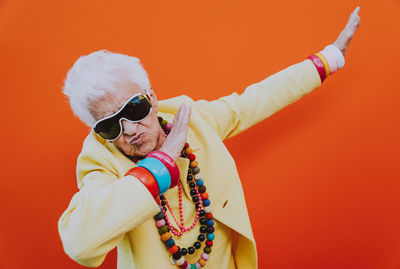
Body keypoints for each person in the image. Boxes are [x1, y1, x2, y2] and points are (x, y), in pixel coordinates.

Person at [58, 7, 360, 269]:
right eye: (110, 126)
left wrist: (329, 58)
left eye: (134, 109)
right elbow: (79, 244)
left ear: (151, 96)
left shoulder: (190, 119)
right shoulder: (101, 163)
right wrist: (161, 165)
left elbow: (257, 99)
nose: (130, 130)